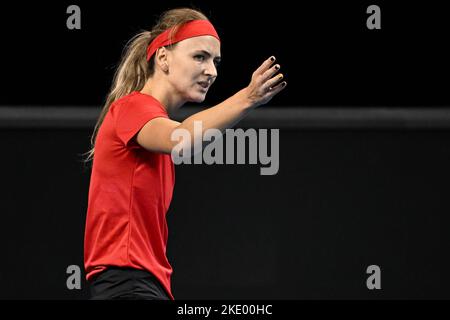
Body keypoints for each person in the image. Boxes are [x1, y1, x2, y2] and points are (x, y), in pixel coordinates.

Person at [83, 7, 286, 300]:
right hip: (126, 285)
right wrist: (248, 97)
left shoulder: (148, 119)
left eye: (215, 61)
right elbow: (182, 139)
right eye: (199, 57)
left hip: (144, 285)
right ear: (163, 58)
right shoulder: (133, 107)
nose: (212, 71)